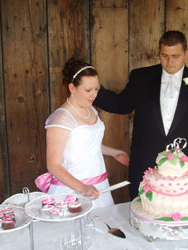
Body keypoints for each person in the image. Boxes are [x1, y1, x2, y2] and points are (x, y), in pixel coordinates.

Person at [94, 31, 188, 200]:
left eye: (175, 56)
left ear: (186, 53)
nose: (169, 61)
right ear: (159, 52)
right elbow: (121, 104)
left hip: (184, 172)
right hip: (144, 166)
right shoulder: (140, 78)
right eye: (164, 55)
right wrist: (92, 88)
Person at [36, 58, 130, 209]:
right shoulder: (61, 119)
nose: (93, 95)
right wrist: (82, 188)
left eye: (96, 89)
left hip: (98, 184)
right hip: (72, 189)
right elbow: (53, 165)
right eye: (88, 90)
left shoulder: (90, 110)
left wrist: (114, 153)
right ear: (72, 88)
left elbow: (88, 145)